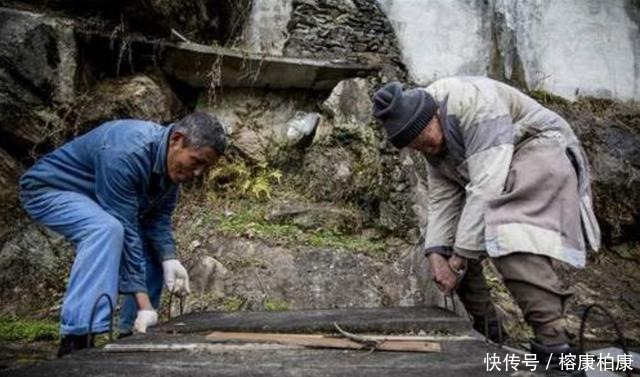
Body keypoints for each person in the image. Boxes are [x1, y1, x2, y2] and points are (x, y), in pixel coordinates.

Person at [372, 76, 600, 364]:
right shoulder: (430, 138)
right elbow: (443, 198)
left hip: (538, 147)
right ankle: (491, 336)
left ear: (433, 116)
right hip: (490, 172)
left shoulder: (474, 103)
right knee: (453, 242)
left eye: (423, 140)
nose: (423, 149)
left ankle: (554, 344)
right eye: (415, 147)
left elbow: (487, 190)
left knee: (509, 229)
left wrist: (458, 259)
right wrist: (436, 253)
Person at [20, 112, 227, 356]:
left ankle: (132, 336)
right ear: (177, 140)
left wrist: (169, 258)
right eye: (196, 161)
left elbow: (157, 221)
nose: (198, 173)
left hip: (97, 198)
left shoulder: (172, 167)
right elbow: (125, 228)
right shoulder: (126, 152)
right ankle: (77, 337)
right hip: (49, 189)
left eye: (206, 167)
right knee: (106, 229)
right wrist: (145, 304)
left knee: (152, 248)